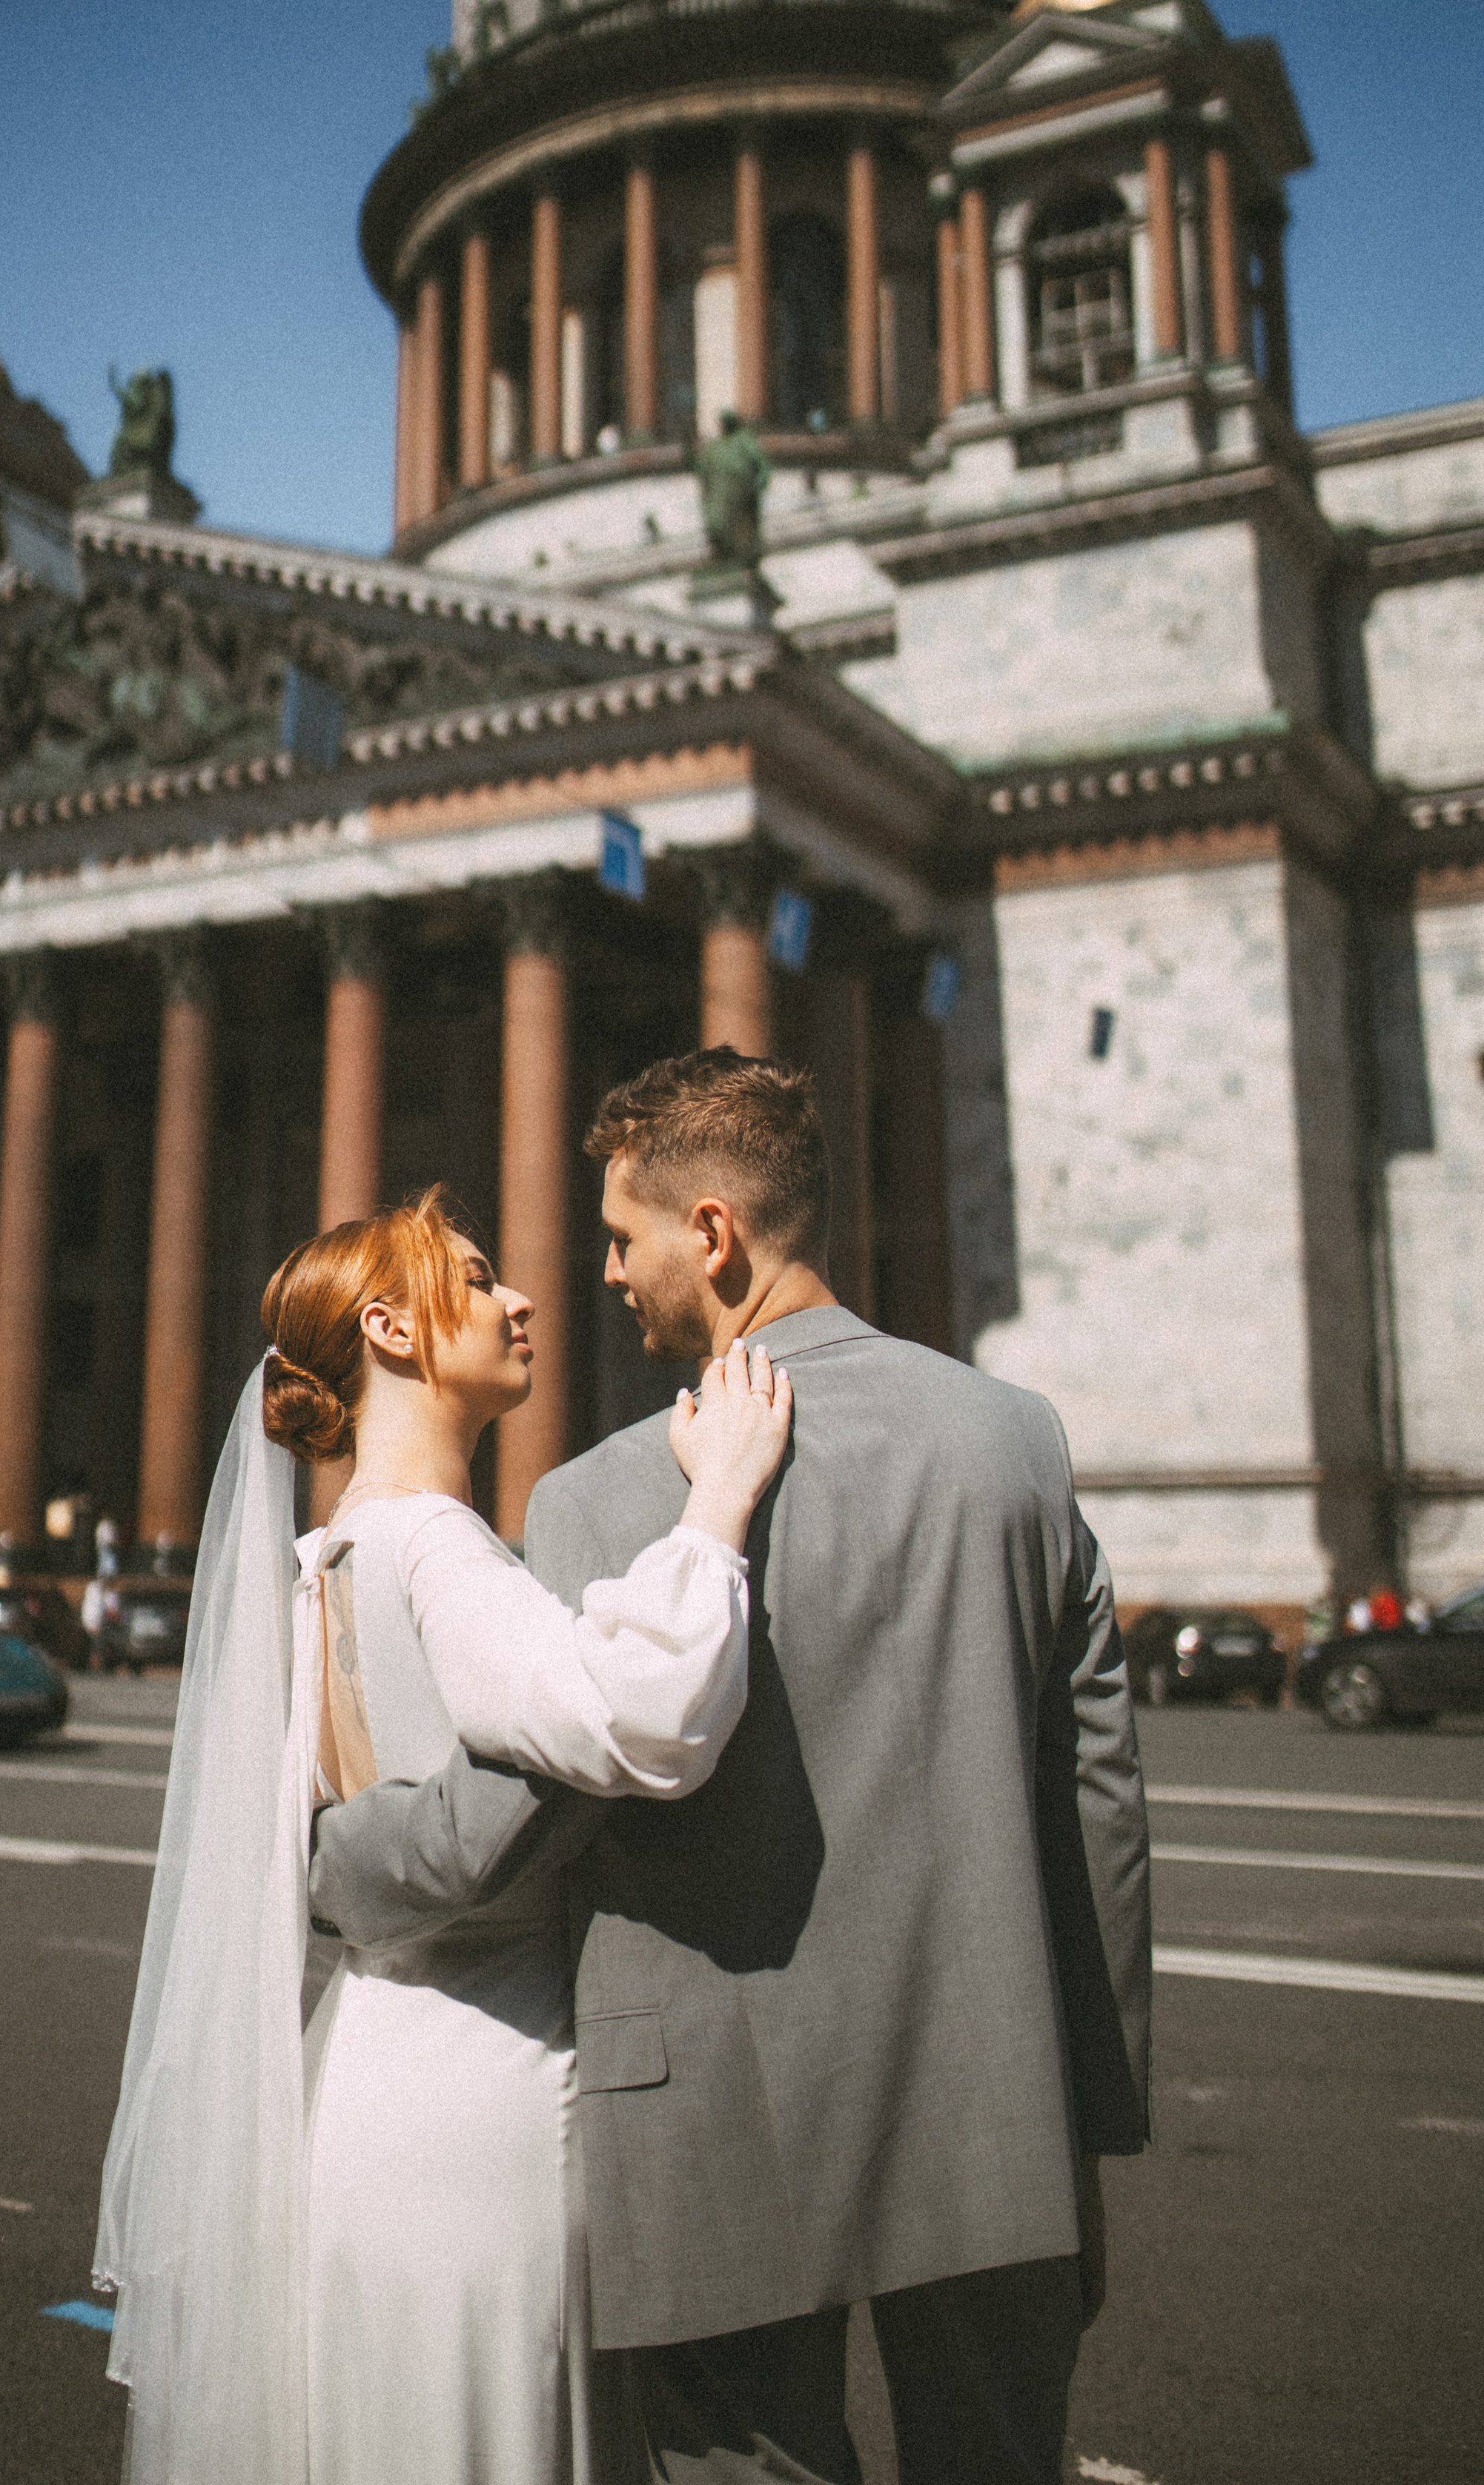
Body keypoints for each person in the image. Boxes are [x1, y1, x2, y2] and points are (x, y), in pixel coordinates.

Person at [311, 1050, 1153, 2485]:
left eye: (621, 1239)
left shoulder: (598, 1491)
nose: (604, 1276)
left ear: (709, 1236)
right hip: (995, 2099)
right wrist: (1083, 2103)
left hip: (713, 2111)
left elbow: (515, 1829)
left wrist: (322, 1854)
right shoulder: (1015, 1444)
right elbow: (1097, 1808)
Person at [94, 1186, 792, 2485]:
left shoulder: (314, 1563)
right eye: (474, 1280)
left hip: (358, 2079)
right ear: (393, 1330)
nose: (519, 1297)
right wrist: (720, 1507)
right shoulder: (438, 1547)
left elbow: (325, 1848)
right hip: (491, 2096)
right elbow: (648, 1714)